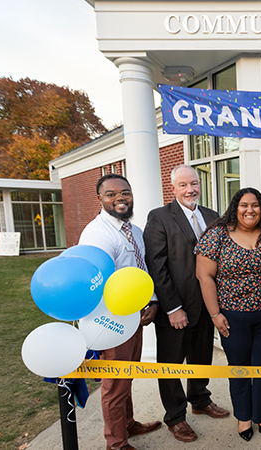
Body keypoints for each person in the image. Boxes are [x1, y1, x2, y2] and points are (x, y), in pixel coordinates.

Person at [143, 165, 230, 443]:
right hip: (175, 309)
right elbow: (156, 266)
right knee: (171, 365)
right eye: (183, 185)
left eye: (193, 183)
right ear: (173, 188)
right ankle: (176, 417)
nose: (190, 189)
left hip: (208, 306)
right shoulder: (159, 218)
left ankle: (200, 400)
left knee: (201, 356)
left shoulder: (213, 217)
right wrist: (172, 307)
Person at [78, 173, 161, 450]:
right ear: (99, 198)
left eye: (124, 192)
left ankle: (128, 423)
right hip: (110, 320)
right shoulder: (97, 233)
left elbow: (141, 271)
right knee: (114, 383)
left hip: (133, 315)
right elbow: (94, 281)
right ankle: (116, 443)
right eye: (111, 194)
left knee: (127, 374)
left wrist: (151, 301)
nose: (120, 198)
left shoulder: (134, 230)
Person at [195, 187, 261, 442]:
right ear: (235, 207)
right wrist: (215, 315)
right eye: (244, 205)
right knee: (240, 369)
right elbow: (204, 276)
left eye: (255, 205)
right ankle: (244, 418)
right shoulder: (217, 235)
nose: (250, 210)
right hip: (232, 318)